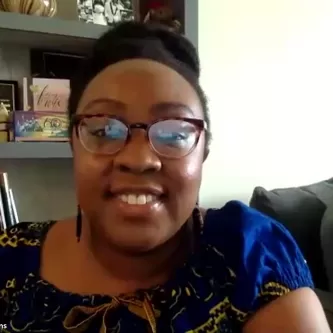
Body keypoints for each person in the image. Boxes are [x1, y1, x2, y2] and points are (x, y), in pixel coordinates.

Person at [0, 22, 330, 333]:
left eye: (174, 134)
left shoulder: (252, 257)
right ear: (73, 145)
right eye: (104, 130)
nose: (139, 159)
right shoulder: (10, 258)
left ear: (203, 154)